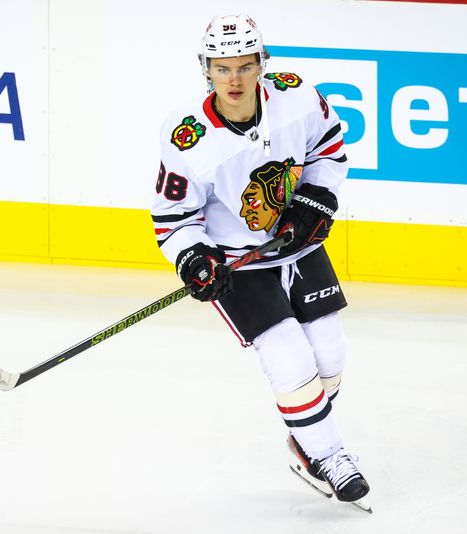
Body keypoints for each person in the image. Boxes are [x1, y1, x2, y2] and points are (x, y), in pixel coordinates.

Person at [151, 14, 371, 509]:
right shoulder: (187, 137)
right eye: (222, 67)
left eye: (245, 66)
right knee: (290, 359)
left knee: (330, 353)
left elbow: (329, 148)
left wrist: (316, 199)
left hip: (298, 246)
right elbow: (173, 217)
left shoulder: (295, 97)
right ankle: (328, 455)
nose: (233, 79)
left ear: (262, 64)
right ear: (205, 68)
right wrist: (193, 258)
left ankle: (306, 433)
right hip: (237, 265)